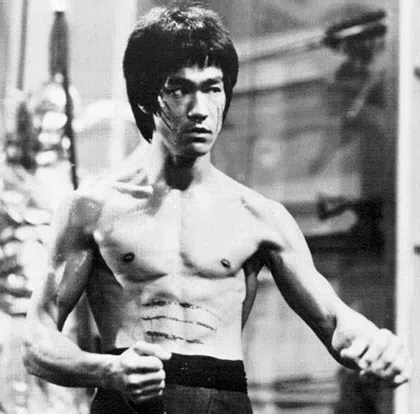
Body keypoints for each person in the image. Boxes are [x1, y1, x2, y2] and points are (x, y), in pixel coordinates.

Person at [23, 4, 411, 414]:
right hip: (126, 399)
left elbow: (334, 321)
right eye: (179, 90)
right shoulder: (91, 209)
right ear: (146, 98)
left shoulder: (259, 217)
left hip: (222, 401)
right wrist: (107, 370)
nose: (200, 109)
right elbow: (36, 341)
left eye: (212, 88)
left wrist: (376, 344)